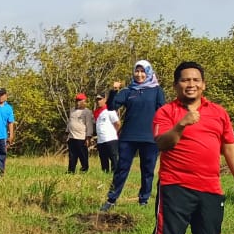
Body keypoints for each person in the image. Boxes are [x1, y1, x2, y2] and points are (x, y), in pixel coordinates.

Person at [149, 61, 234, 234]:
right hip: (175, 185)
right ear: (176, 85)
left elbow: (230, 148)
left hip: (210, 187)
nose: (191, 84)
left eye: (196, 80)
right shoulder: (166, 112)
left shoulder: (219, 113)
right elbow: (162, 143)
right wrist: (181, 125)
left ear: (203, 84)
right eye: (185, 80)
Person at [100, 60, 166, 211]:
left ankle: (144, 200)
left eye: (143, 71)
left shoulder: (156, 90)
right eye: (137, 71)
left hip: (150, 138)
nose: (139, 74)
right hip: (128, 137)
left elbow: (163, 112)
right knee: (121, 168)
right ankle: (111, 199)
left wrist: (162, 134)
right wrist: (114, 90)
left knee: (147, 170)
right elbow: (111, 106)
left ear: (148, 72)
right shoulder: (128, 90)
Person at [66, 93, 94, 173]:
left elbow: (89, 125)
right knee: (72, 156)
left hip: (81, 138)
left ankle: (84, 169)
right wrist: (66, 132)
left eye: (79, 101)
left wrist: (88, 137)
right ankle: (71, 171)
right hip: (72, 137)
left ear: (84, 101)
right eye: (76, 100)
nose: (77, 102)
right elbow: (69, 122)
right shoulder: (72, 110)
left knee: (83, 155)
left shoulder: (87, 112)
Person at [94, 94, 121, 175]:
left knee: (113, 158)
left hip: (110, 139)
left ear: (105, 99)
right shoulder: (96, 112)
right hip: (100, 141)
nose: (98, 101)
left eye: (100, 99)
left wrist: (113, 132)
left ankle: (115, 176)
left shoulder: (110, 110)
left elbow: (118, 123)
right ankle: (105, 175)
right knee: (103, 159)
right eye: (97, 99)